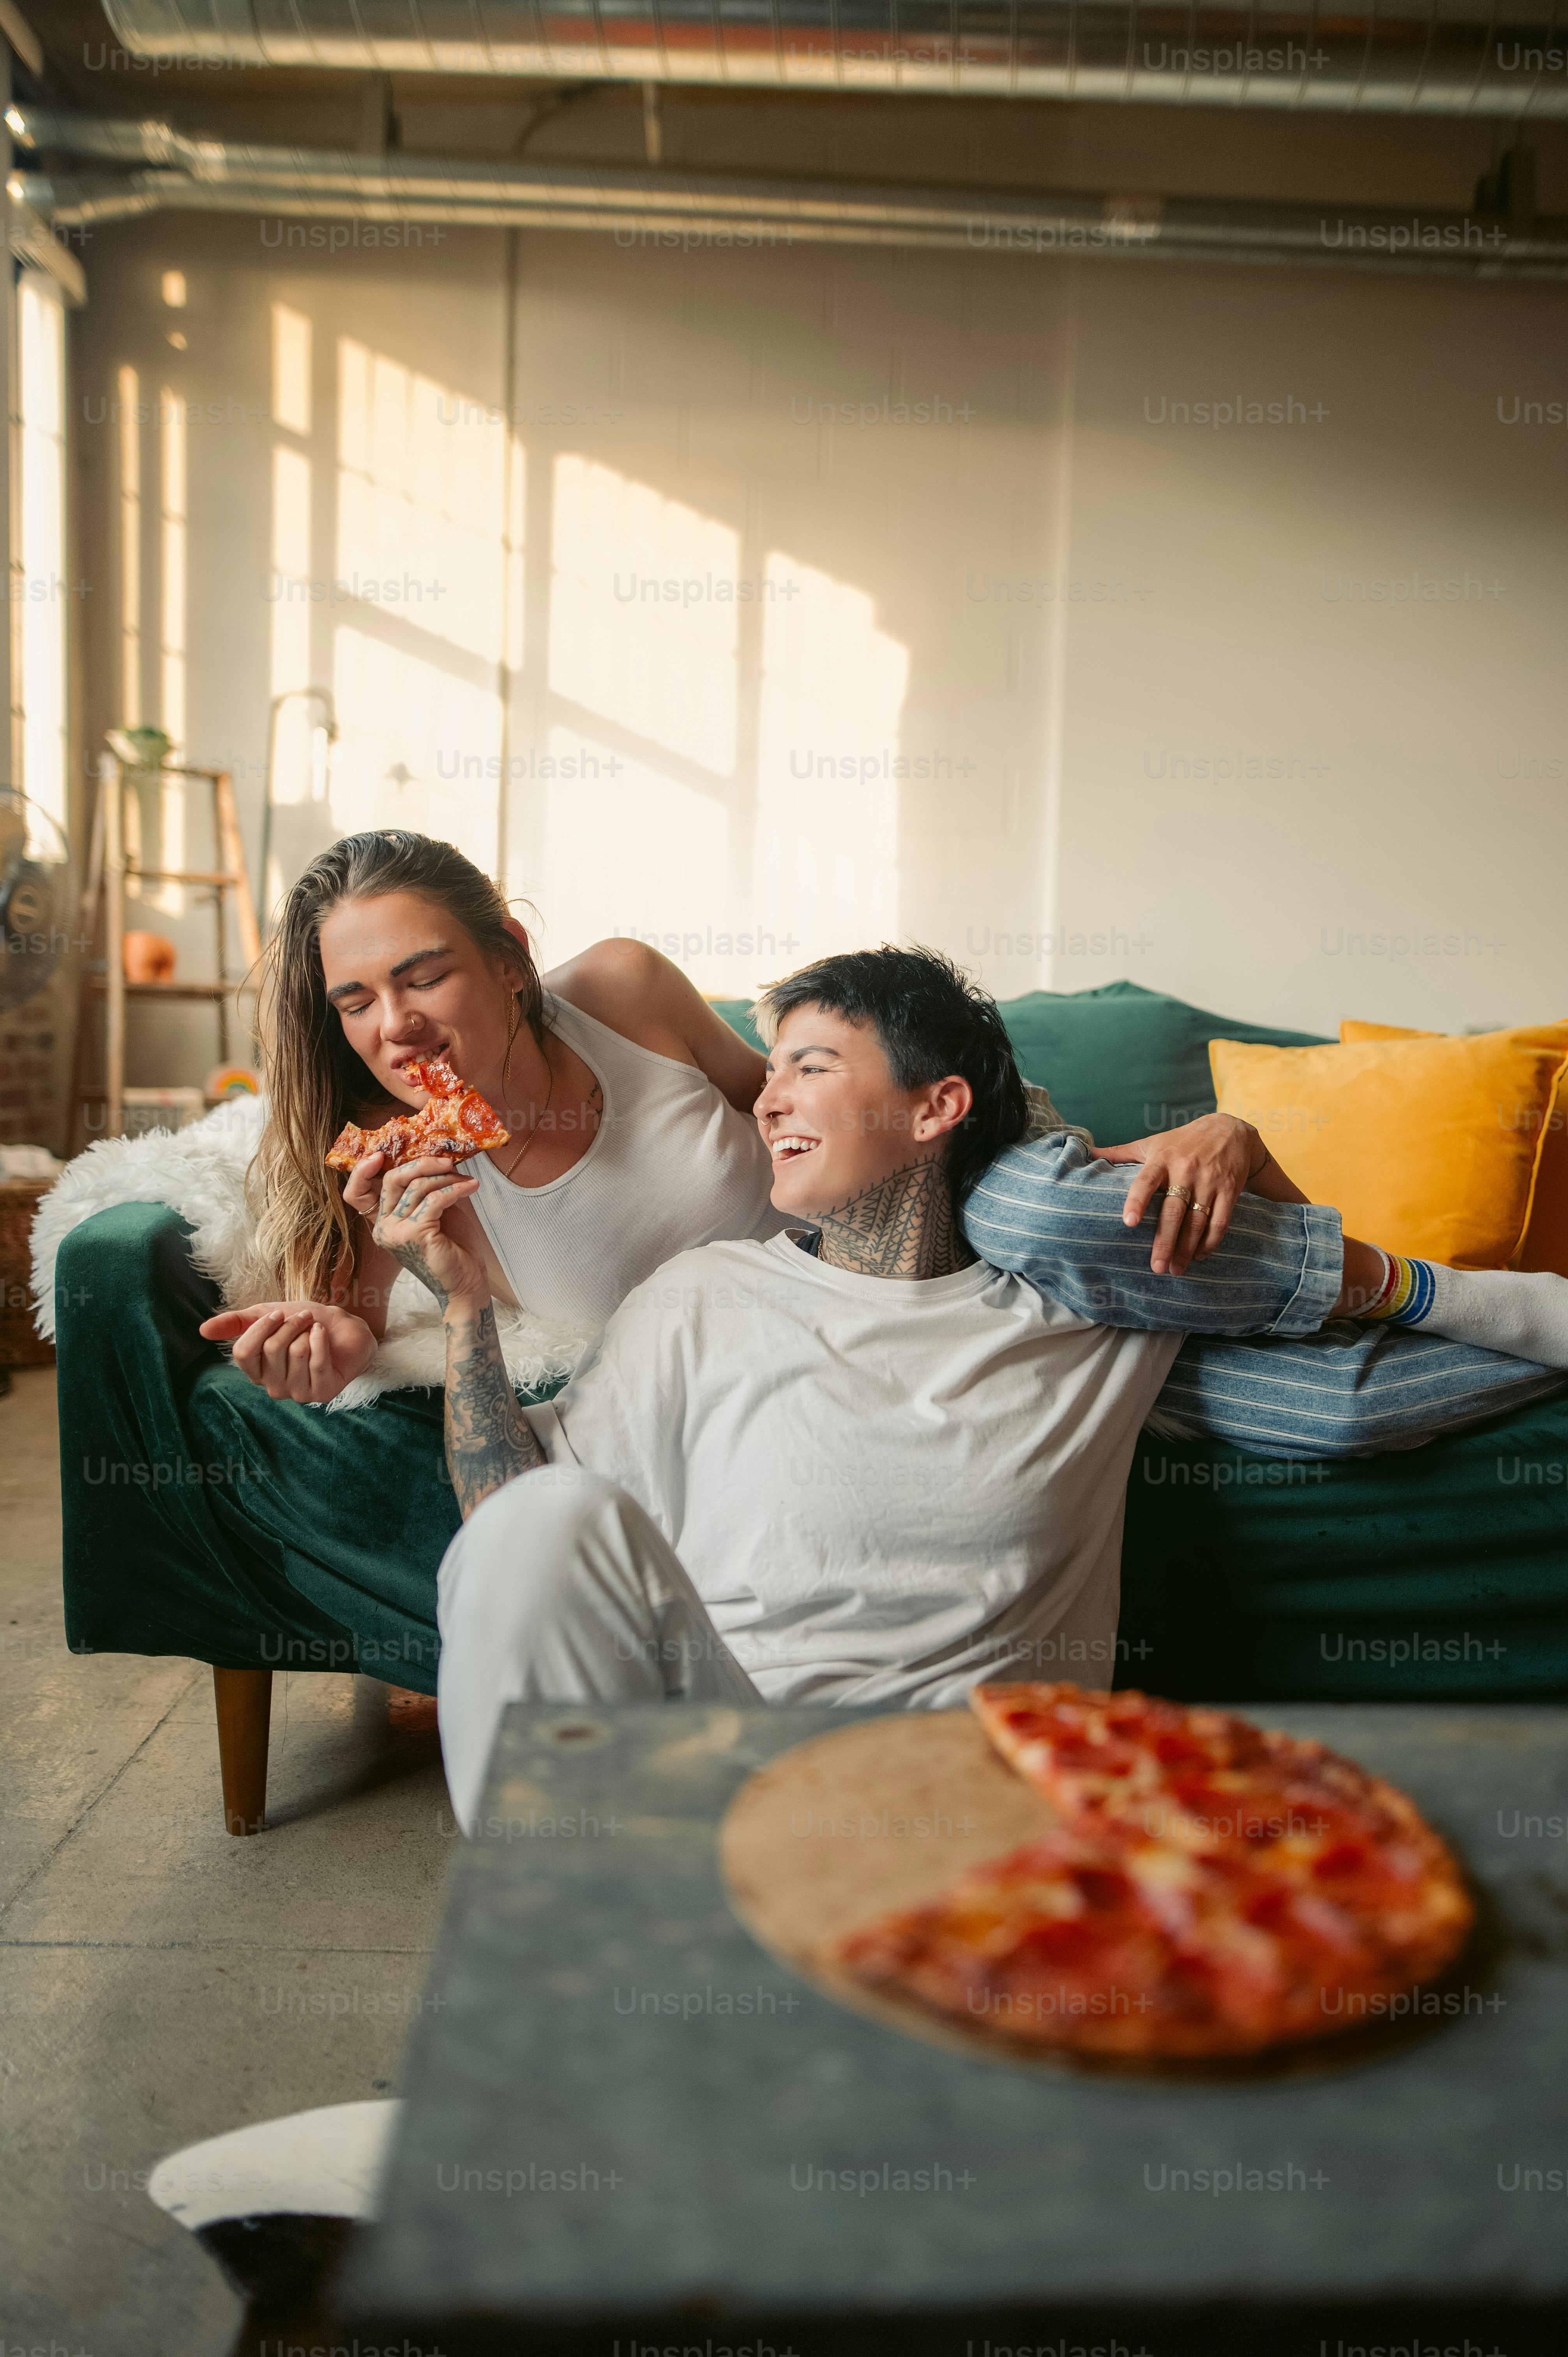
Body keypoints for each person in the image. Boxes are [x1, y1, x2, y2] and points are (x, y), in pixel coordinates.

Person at [363, 945, 1567, 1829]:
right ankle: (565, 1998)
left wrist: (1246, 1145)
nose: (767, 1098)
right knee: (545, 1519)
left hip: (969, 1808)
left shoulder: (1089, 1304)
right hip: (725, 1781)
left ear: (939, 1108)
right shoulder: (703, 1297)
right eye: (770, 1071)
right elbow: (506, 1526)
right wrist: (466, 1301)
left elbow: (1343, 1361)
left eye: (812, 1068)